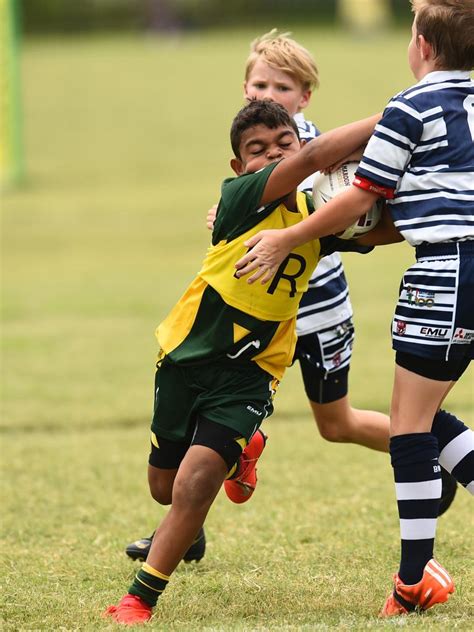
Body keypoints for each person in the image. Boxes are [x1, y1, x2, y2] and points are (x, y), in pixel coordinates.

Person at [125, 28, 457, 564]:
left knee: (337, 424)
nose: (267, 96)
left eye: (281, 88)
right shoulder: (255, 143)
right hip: (256, 324)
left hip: (319, 311)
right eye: (259, 84)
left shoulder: (320, 153)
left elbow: (346, 217)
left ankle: (428, 455)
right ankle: (187, 526)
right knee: (212, 431)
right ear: (244, 87)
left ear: (304, 96)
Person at [104, 99, 385, 624]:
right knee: (164, 488)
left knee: (196, 483)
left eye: (285, 145)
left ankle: (137, 601)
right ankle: (243, 451)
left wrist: (396, 195)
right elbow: (317, 155)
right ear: (238, 168)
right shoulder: (239, 197)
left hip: (253, 370)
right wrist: (396, 114)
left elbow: (378, 229)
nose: (274, 156)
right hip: (186, 356)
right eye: (258, 151)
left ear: (299, 145)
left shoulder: (317, 214)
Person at [234, 2, 474, 617]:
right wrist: (370, 232)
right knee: (411, 422)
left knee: (411, 427)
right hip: (450, 259)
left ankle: (412, 581)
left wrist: (292, 235)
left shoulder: (410, 107)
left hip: (449, 273)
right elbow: (419, 204)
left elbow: (365, 194)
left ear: (421, 44)